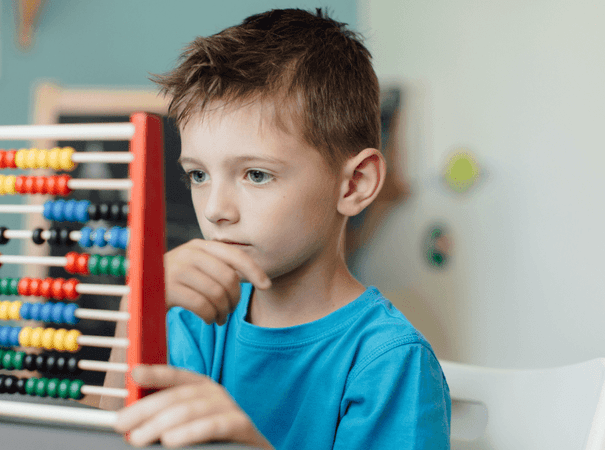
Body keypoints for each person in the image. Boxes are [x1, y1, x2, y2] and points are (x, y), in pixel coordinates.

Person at [105, 8, 451, 449]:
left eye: (256, 175)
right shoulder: (195, 321)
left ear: (354, 184)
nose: (215, 210)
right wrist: (138, 304)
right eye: (198, 175)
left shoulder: (389, 363)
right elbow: (110, 437)